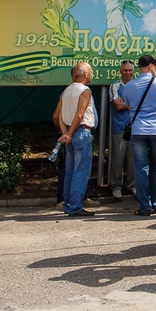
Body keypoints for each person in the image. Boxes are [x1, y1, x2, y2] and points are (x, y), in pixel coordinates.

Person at [124, 54, 156, 217]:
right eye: (155, 66)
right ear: (150, 66)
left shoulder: (129, 86)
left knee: (141, 168)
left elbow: (128, 104)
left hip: (137, 131)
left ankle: (144, 206)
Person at [54, 62, 96, 217]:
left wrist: (65, 133)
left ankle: (68, 204)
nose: (91, 74)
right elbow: (80, 115)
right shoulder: (84, 91)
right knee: (81, 171)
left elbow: (57, 116)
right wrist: (70, 133)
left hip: (70, 134)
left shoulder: (66, 91)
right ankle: (75, 206)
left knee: (70, 171)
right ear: (85, 74)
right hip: (81, 132)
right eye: (90, 72)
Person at [106, 60, 136, 199]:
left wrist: (126, 104)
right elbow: (117, 105)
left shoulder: (136, 85)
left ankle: (132, 185)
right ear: (120, 71)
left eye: (130, 70)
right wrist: (130, 106)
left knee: (133, 159)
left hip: (135, 128)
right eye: (125, 70)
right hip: (119, 128)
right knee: (117, 159)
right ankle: (116, 186)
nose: (128, 73)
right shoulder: (115, 86)